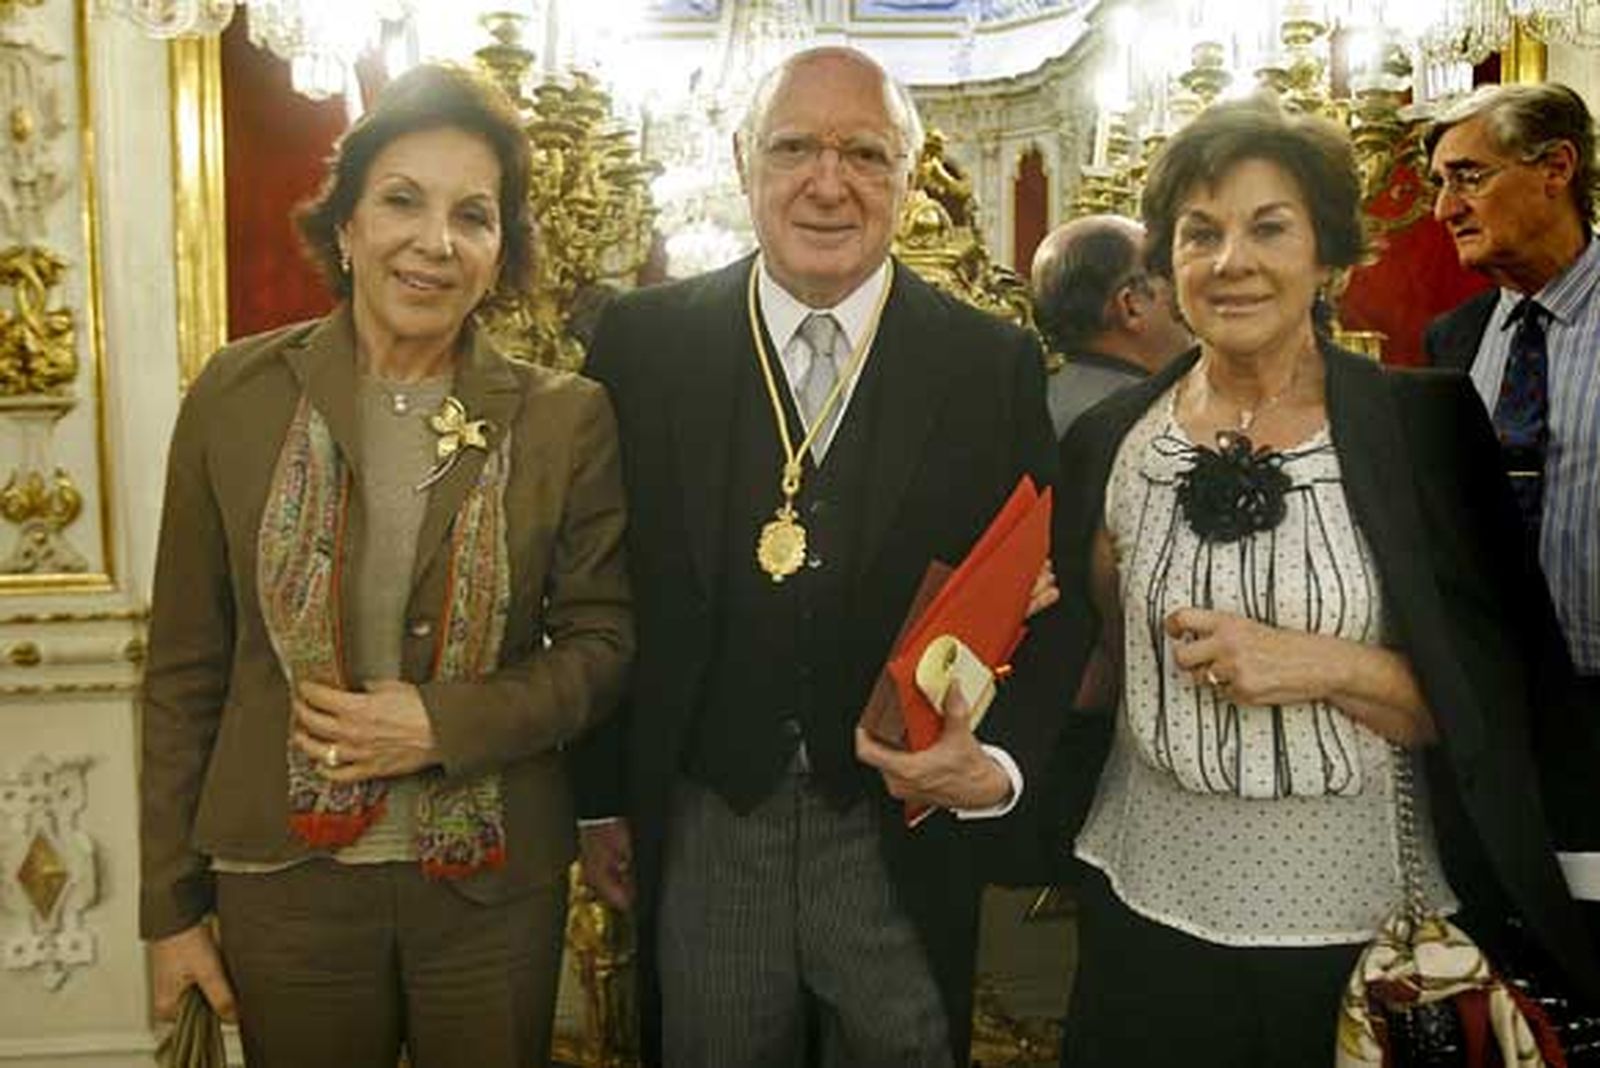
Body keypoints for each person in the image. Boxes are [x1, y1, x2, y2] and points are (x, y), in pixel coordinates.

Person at [1049, 94, 1600, 1066]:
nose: (1232, 262)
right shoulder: (1110, 443)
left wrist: (1324, 665)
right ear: (1167, 264)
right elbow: (1100, 669)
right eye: (1200, 233)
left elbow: (1501, 698)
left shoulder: (1424, 429)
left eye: (1270, 228)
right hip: (1146, 920)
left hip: (1368, 938)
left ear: (1326, 256)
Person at [573, 45, 1068, 1068]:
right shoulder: (642, 345)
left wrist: (996, 762)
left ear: (909, 172)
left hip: (893, 824)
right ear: (743, 158)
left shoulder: (990, 364)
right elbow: (594, 588)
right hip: (709, 812)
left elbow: (1040, 596)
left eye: (865, 154)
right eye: (794, 147)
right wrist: (600, 793)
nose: (827, 183)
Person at [138, 63, 633, 1068]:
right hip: (281, 884)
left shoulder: (563, 417)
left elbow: (602, 642)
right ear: (347, 225)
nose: (434, 243)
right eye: (402, 201)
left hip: (492, 892)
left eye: (474, 216)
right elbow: (185, 667)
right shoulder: (235, 394)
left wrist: (439, 725)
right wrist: (170, 910)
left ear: (502, 251)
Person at [1422, 83, 1600, 909]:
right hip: (1492, 724)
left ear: (1555, 167)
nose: (1442, 208)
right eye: (1438, 184)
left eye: (1467, 177)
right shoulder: (1450, 341)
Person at [1030, 214, 1192, 438]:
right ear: (1131, 305)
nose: (1185, 303)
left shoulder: (1017, 403)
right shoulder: (1160, 426)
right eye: (1171, 280)